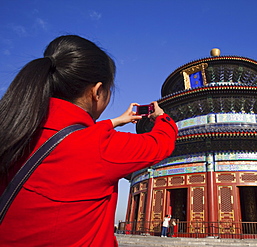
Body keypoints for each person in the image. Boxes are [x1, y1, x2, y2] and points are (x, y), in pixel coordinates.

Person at [0, 35, 178, 246]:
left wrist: (114, 122)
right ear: (97, 91)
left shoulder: (15, 130)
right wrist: (162, 118)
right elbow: (160, 144)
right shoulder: (101, 147)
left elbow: (74, 136)